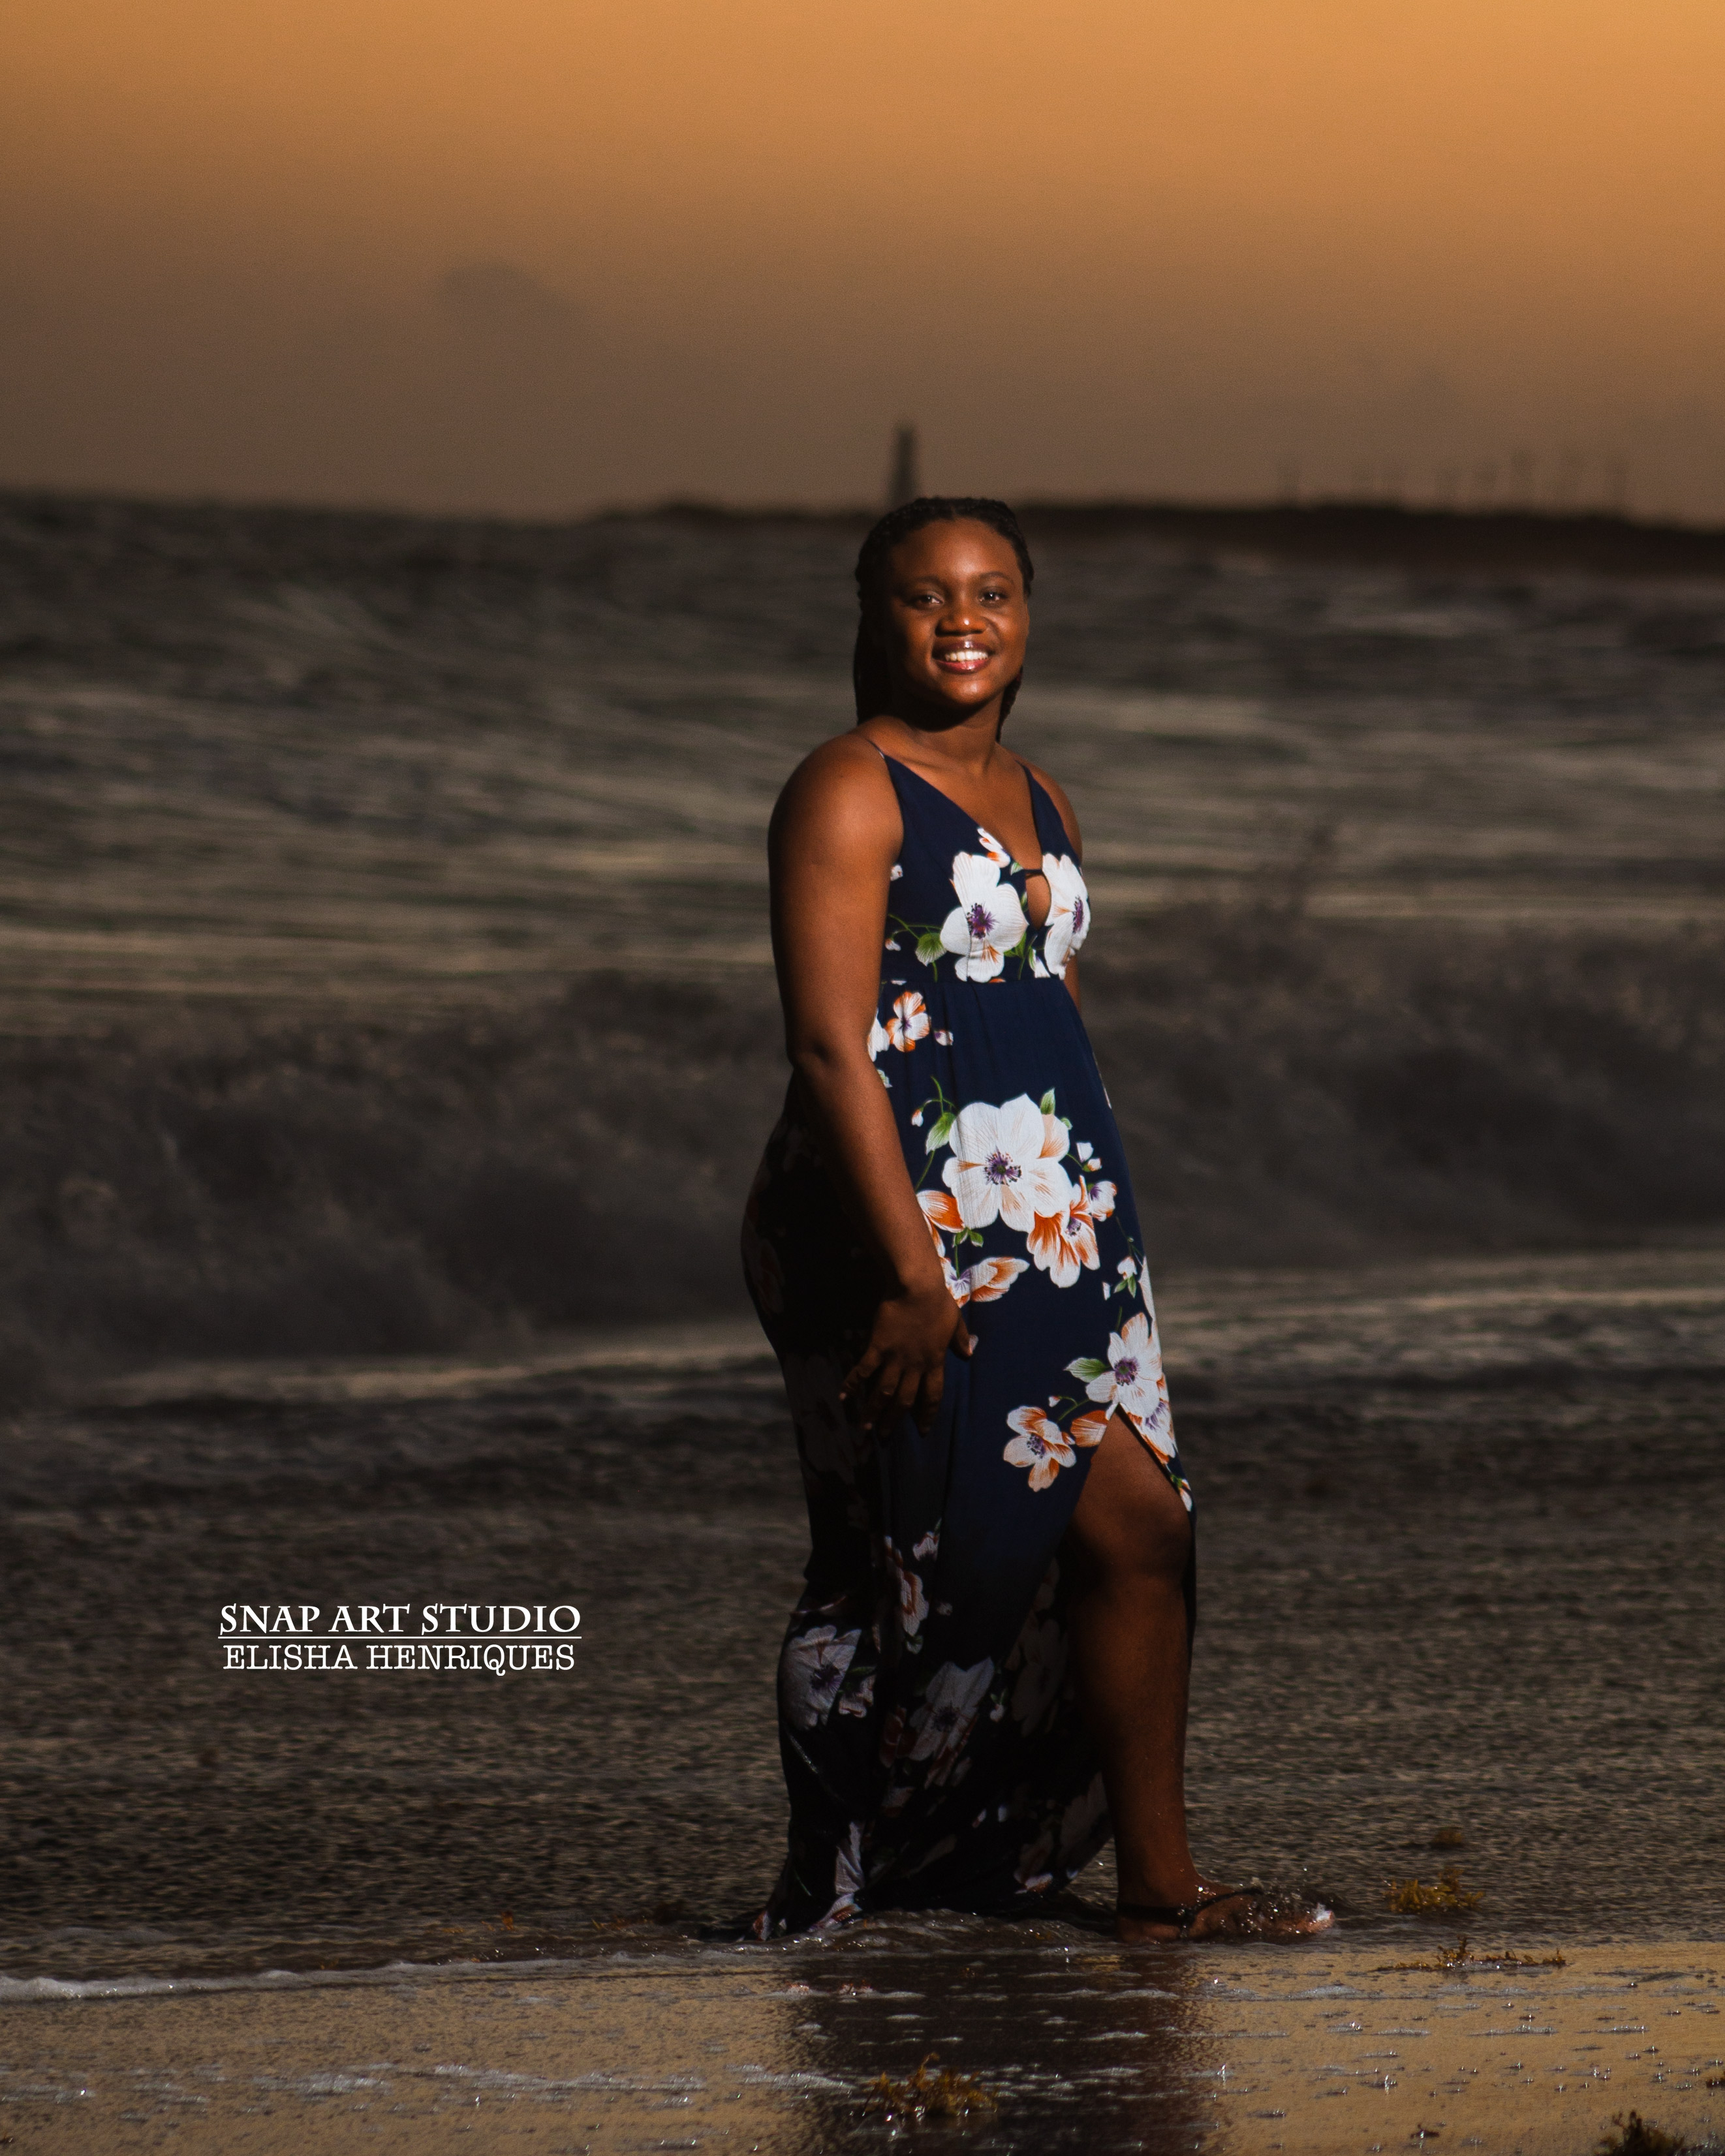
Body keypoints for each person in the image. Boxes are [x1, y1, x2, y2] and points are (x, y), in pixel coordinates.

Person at [741, 496, 1331, 1943]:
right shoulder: (846, 789)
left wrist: (1094, 1215)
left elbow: (1040, 1008)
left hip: (1055, 1214)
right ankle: (834, 1884)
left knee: (1139, 1529)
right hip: (898, 1220)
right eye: (925, 594)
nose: (963, 619)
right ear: (873, 616)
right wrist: (910, 1273)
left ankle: (1159, 1890)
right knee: (918, 1561)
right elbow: (828, 1046)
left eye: (992, 591)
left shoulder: (1044, 794)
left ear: (1026, 614)